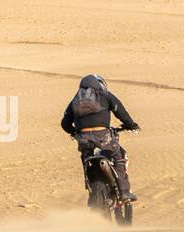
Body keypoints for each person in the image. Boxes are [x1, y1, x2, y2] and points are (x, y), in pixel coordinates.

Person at [60, 73, 140, 201]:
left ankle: (91, 191)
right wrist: (131, 125)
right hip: (103, 136)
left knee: (87, 161)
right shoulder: (105, 95)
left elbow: (64, 123)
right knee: (119, 157)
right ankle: (124, 192)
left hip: (83, 139)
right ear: (101, 85)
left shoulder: (75, 100)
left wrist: (75, 133)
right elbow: (121, 113)